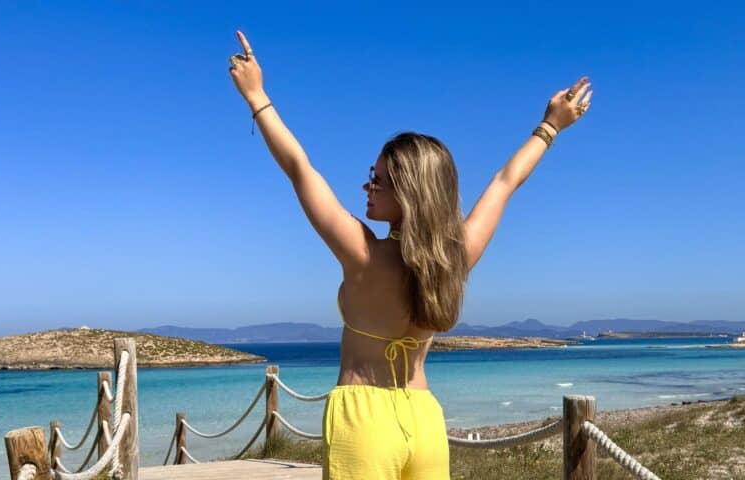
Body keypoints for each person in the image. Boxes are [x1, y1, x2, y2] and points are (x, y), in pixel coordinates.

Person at [228, 30, 591, 480]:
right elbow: (505, 183)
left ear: (409, 193)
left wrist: (256, 95)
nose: (367, 186)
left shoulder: (362, 252)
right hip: (424, 419)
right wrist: (551, 126)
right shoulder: (454, 257)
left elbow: (299, 167)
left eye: (378, 180)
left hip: (363, 421)